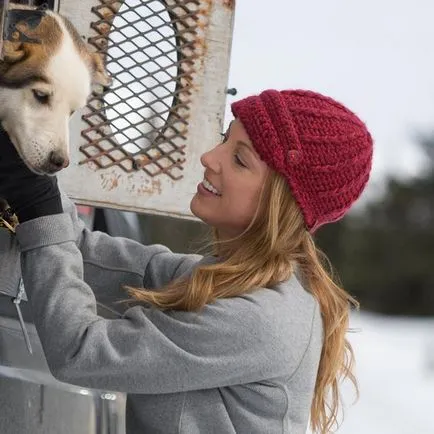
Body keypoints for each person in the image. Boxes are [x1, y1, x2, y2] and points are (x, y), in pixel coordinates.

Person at [0, 89, 373, 434]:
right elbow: (87, 253)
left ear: (281, 203)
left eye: (240, 160)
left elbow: (81, 351)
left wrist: (40, 207)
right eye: (226, 139)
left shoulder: (259, 318)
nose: (209, 158)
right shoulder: (224, 281)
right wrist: (31, 167)